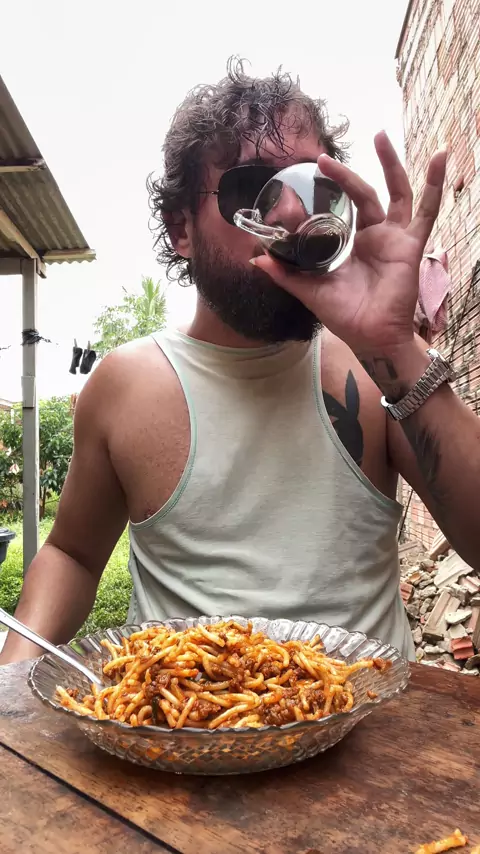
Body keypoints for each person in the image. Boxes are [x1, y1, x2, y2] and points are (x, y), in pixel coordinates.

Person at [2, 60, 480, 667]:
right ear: (181, 227)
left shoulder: (377, 365)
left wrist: (395, 348)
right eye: (251, 186)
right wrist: (10, 689)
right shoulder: (126, 385)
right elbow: (71, 554)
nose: (289, 214)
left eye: (312, 186)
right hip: (180, 715)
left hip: (368, 720)